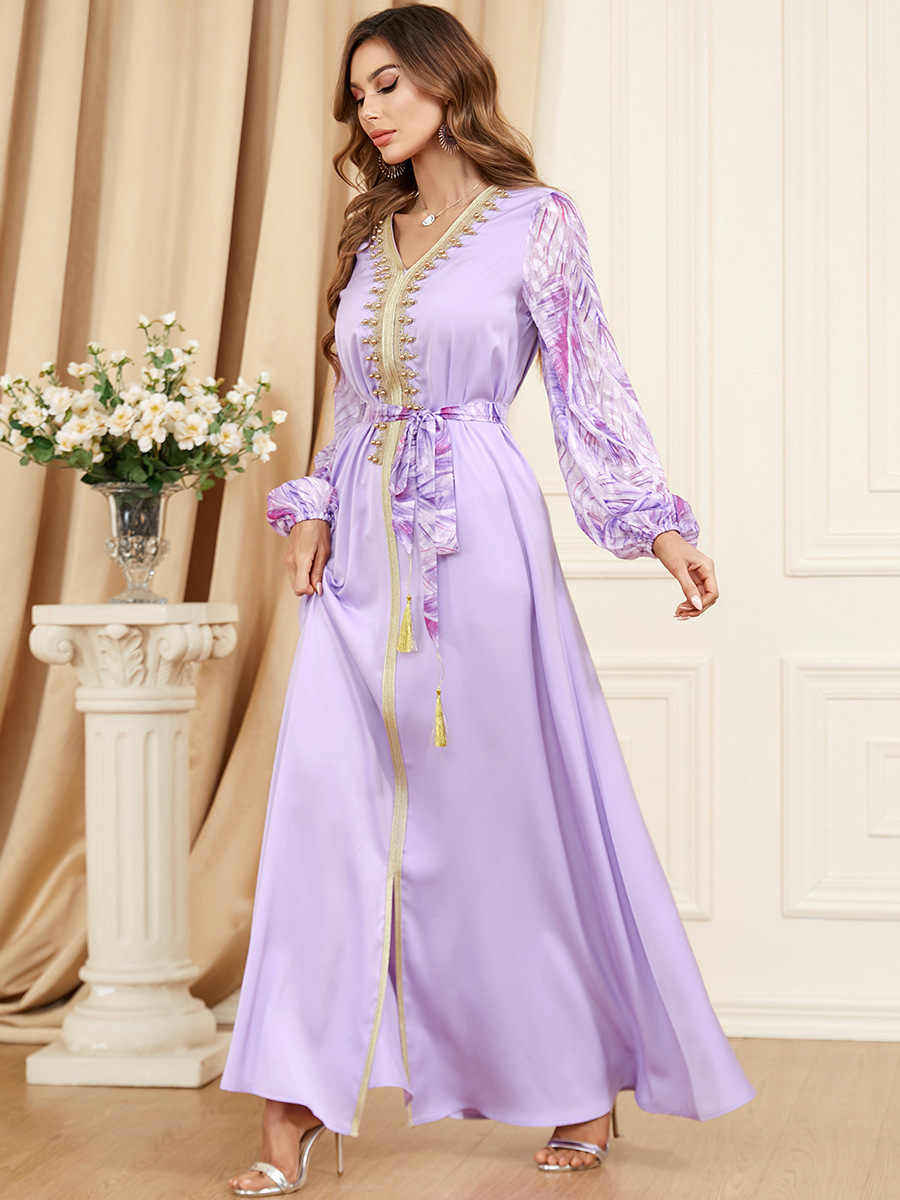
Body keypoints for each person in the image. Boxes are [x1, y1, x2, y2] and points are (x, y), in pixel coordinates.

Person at [222, 4, 755, 1193]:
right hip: (359, 556)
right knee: (321, 809)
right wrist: (310, 504)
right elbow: (356, 409)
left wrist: (658, 527)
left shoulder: (535, 222)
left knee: (503, 827)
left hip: (479, 545)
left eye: (389, 84)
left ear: (449, 82)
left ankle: (573, 1087)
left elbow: (588, 388)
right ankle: (293, 1104)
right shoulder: (371, 240)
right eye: (359, 93)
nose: (370, 109)